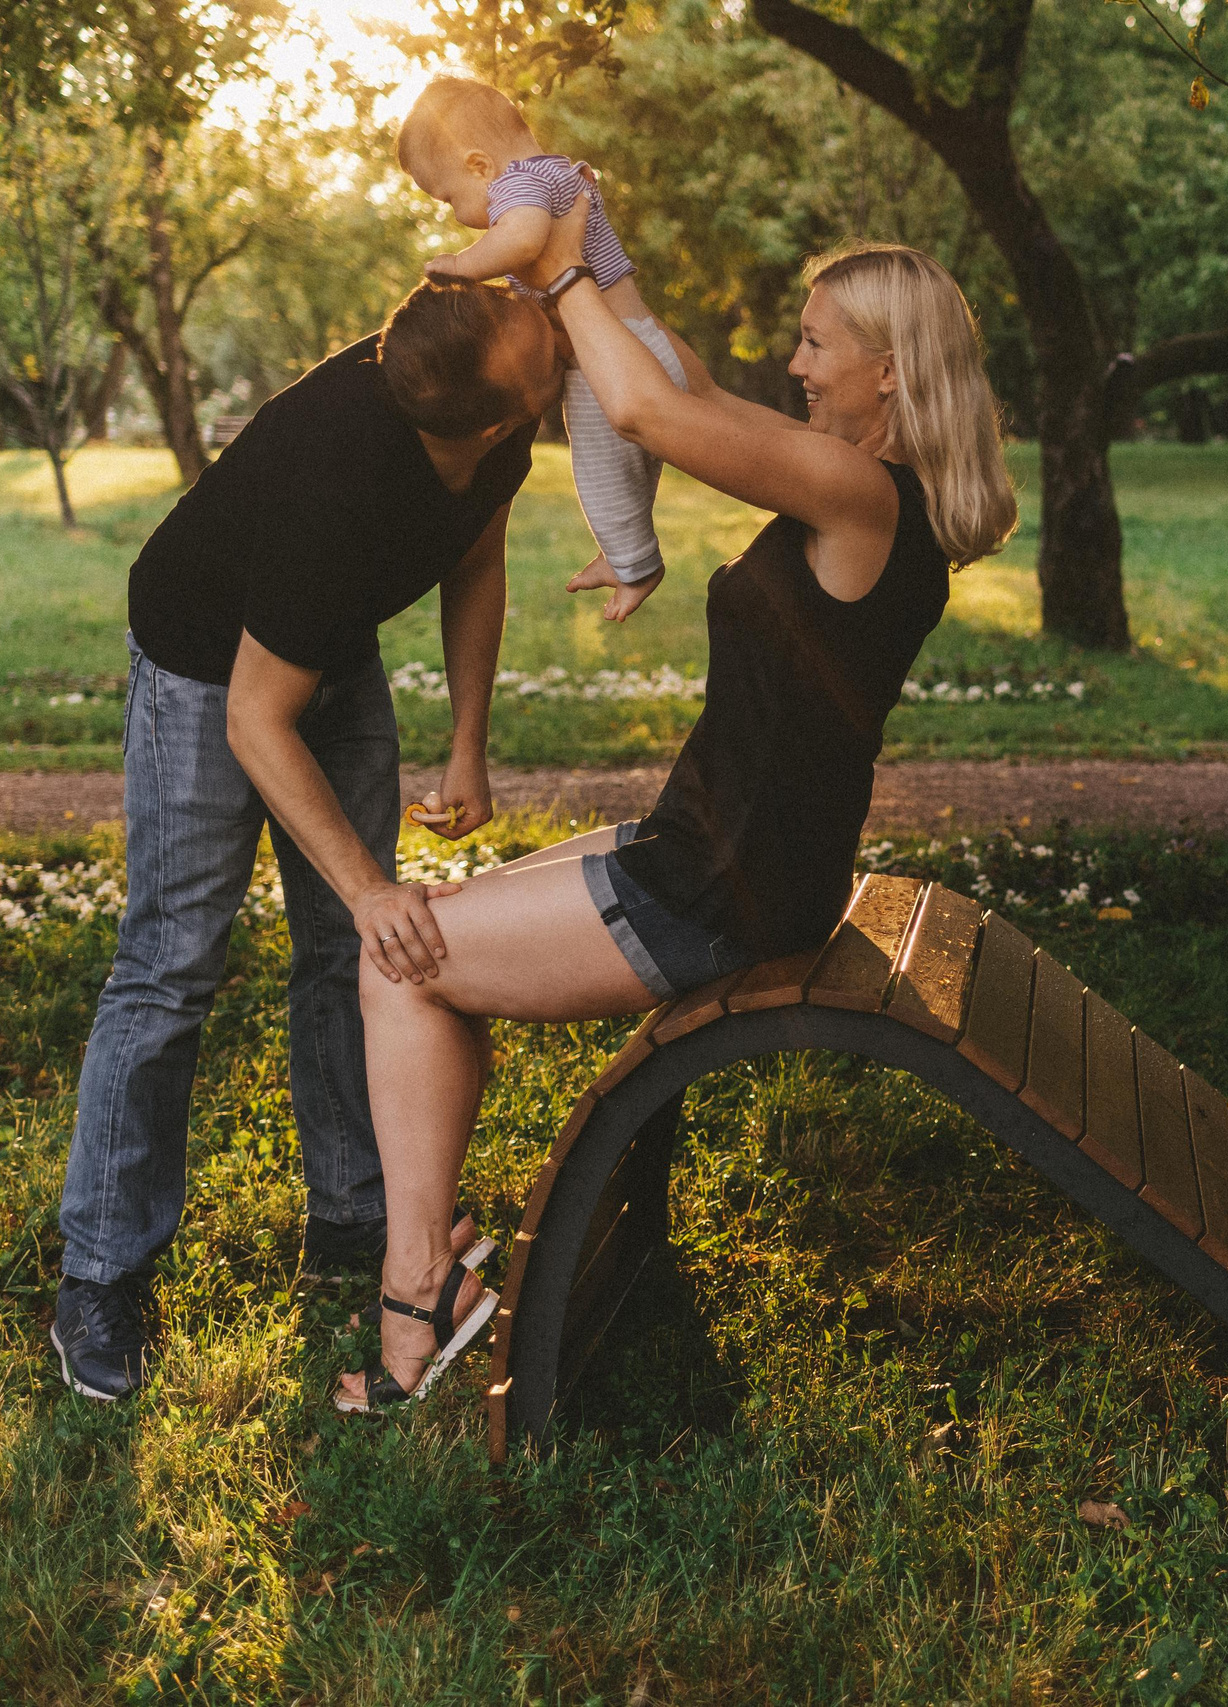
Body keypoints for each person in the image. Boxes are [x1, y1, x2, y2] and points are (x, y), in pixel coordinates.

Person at [332, 214, 1020, 1412]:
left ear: (888, 371)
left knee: (397, 959)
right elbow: (687, 387)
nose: (796, 366)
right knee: (427, 941)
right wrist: (599, 250)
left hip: (716, 887)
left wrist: (553, 265)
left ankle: (416, 1297)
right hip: (723, 859)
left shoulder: (860, 495)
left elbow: (649, 413)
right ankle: (429, 1268)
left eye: (816, 345)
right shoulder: (868, 491)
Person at [50, 279, 560, 1403]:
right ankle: (99, 1271)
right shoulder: (338, 478)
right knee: (172, 960)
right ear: (495, 418)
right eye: (534, 330)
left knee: (349, 952)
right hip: (205, 667)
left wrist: (468, 742)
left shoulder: (488, 407)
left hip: (325, 644)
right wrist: (372, 884)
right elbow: (254, 718)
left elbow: (475, 557)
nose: (545, 319)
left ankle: (352, 1213)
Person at [400, 75, 690, 625]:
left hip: (610, 354)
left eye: (449, 198)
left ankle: (636, 564)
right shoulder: (554, 172)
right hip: (634, 341)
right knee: (623, 471)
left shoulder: (519, 185)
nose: (456, 216)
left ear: (479, 166)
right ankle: (625, 551)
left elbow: (523, 240)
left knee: (599, 472)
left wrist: (461, 265)